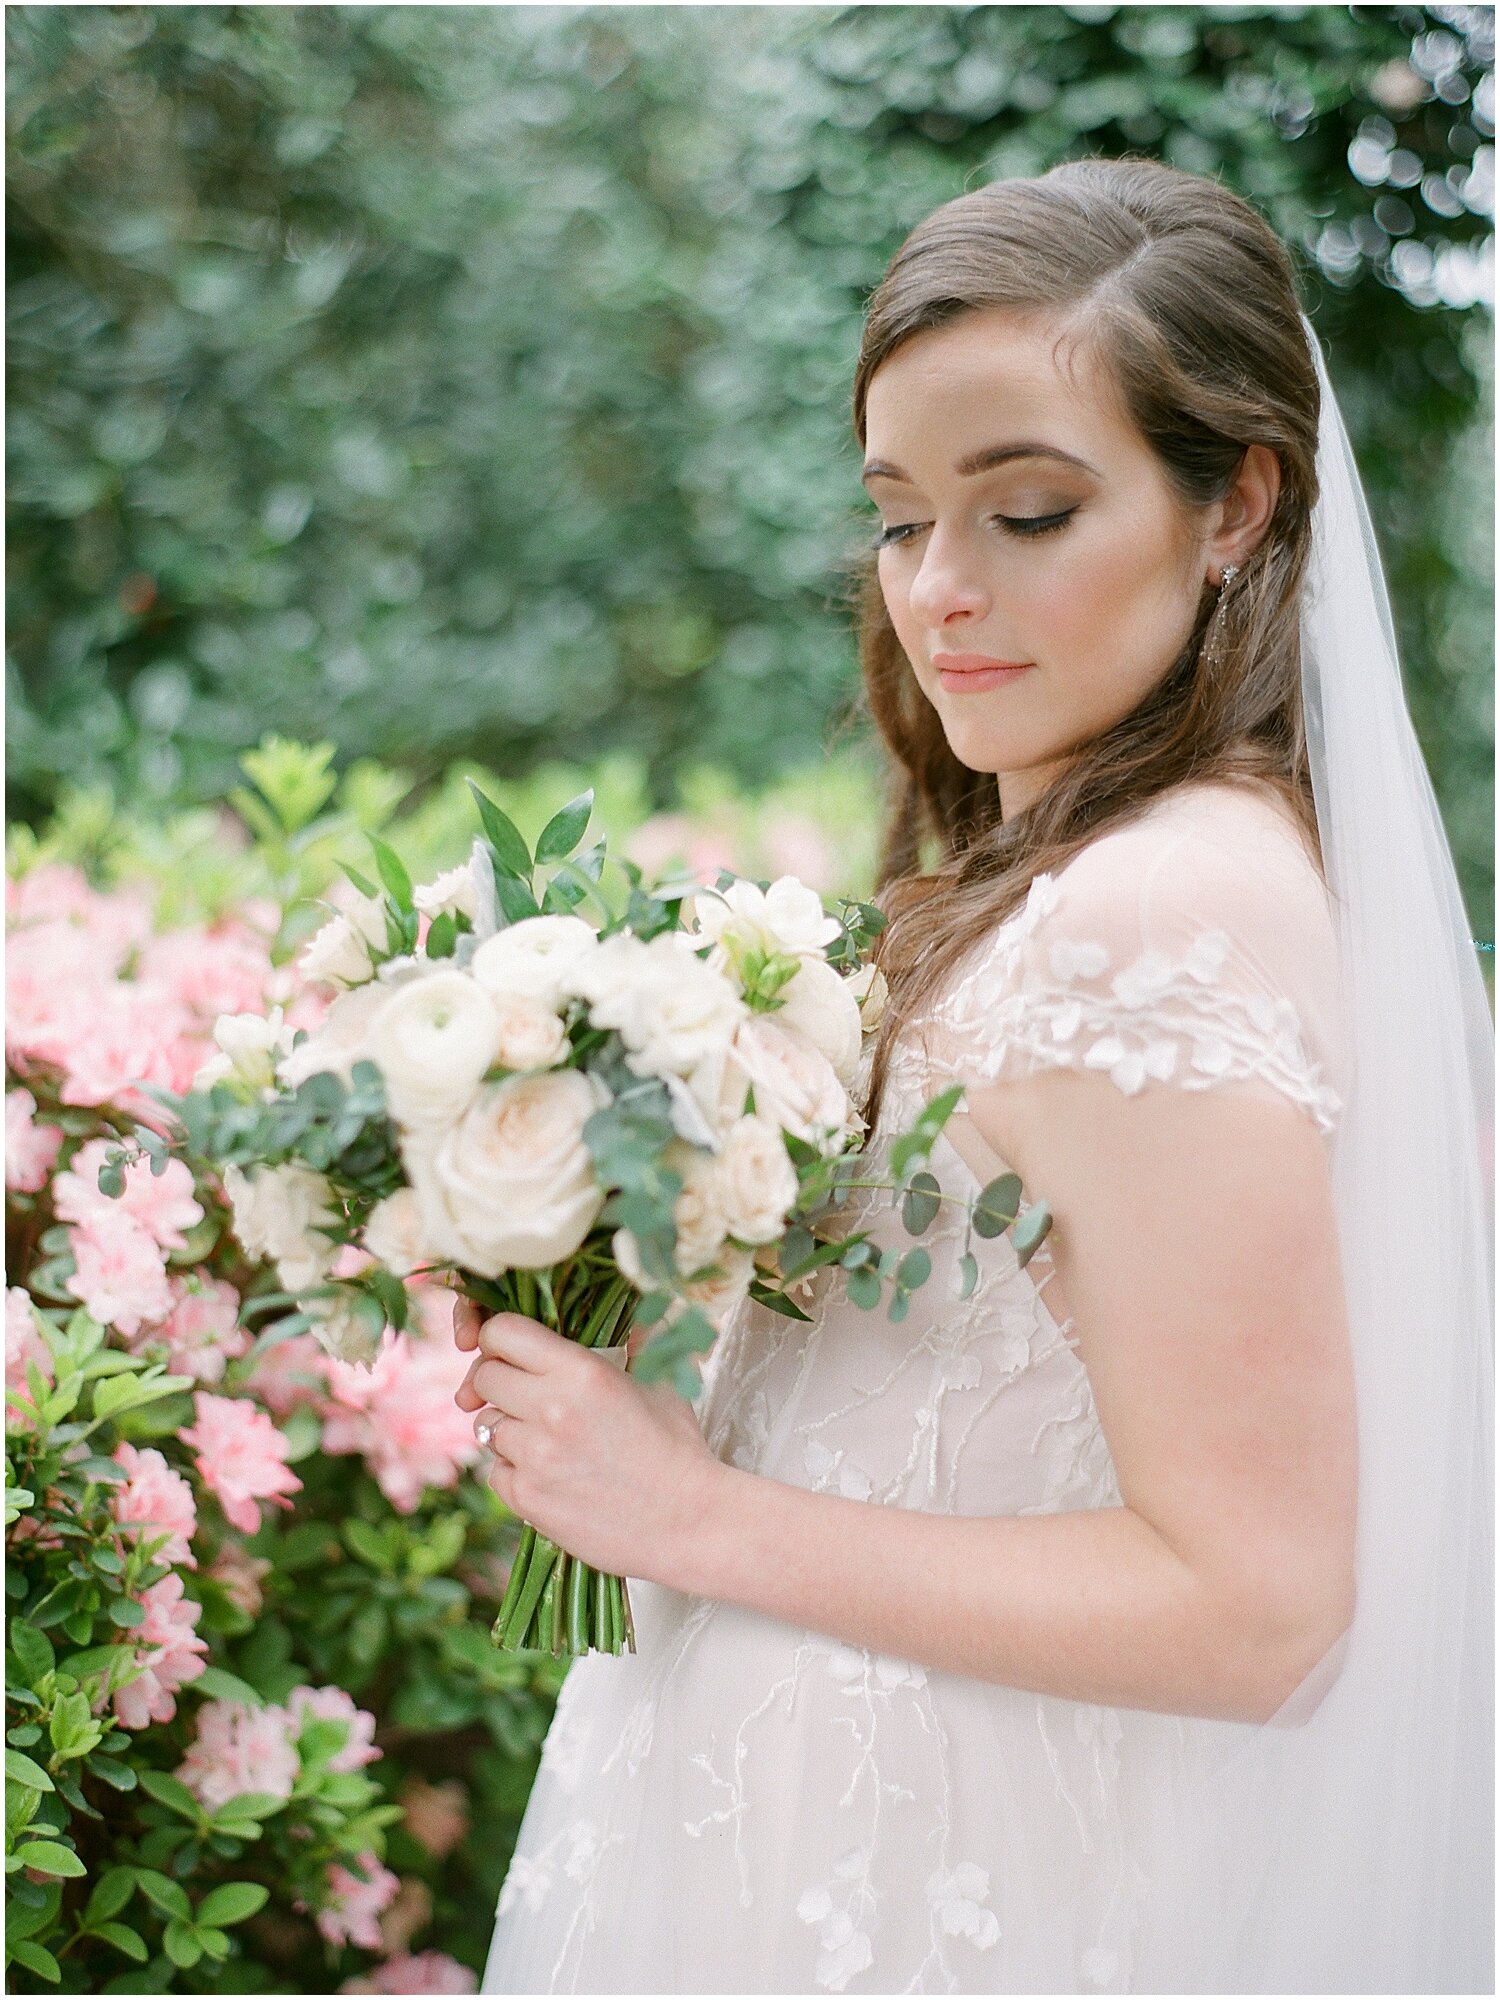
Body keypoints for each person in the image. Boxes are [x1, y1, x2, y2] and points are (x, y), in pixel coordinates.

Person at [456, 157, 1493, 1994]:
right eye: (899, 517)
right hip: (825, 1845)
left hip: (952, 1888)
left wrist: (694, 1515)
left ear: (1237, 502)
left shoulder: (1159, 912)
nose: (940, 593)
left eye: (1026, 511)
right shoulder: (1084, 874)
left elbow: (1259, 1606)